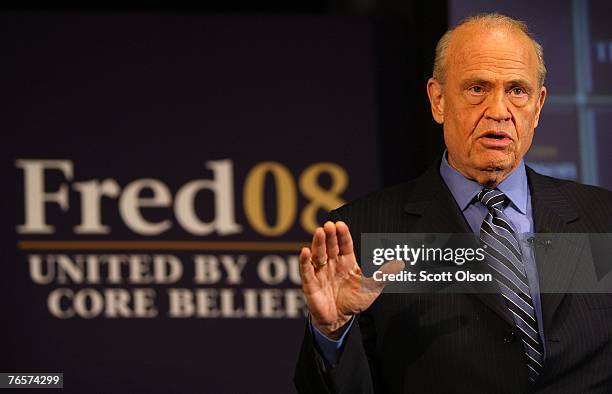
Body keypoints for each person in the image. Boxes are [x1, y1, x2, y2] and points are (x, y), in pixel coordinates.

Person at [294, 13, 612, 394]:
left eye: (517, 90)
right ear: (438, 100)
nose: (498, 110)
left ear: (538, 105)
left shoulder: (602, 218)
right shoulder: (365, 231)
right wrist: (332, 332)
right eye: (477, 88)